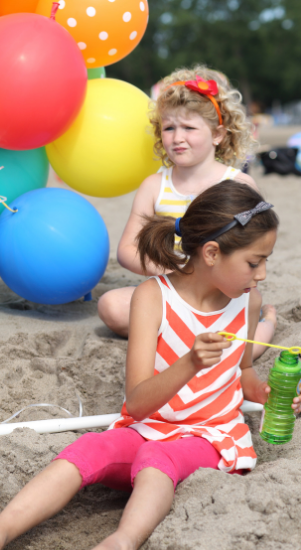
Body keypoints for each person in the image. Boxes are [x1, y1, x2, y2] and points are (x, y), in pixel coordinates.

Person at [0, 181, 294, 550]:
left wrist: (266, 393)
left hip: (210, 438)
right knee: (88, 449)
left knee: (157, 455)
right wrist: (189, 364)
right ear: (212, 253)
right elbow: (138, 402)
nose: (262, 273)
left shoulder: (248, 301)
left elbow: (243, 370)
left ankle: (121, 545)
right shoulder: (153, 296)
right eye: (254, 261)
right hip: (147, 426)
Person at [98, 66, 276, 359]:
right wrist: (173, 271)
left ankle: (267, 325)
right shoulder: (155, 186)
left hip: (223, 291)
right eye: (169, 128)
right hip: (171, 289)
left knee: (244, 333)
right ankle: (190, 335)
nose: (177, 138)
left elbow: (255, 250)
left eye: (189, 128)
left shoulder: (239, 184)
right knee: (111, 306)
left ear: (218, 134)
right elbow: (127, 250)